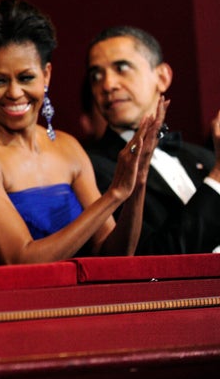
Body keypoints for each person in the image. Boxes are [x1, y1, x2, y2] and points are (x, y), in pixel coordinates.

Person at [0, 0, 164, 266]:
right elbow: (21, 260)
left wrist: (137, 182)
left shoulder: (67, 146)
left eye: (26, 78)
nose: (14, 93)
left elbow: (115, 256)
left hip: (88, 305)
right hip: (20, 306)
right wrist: (114, 195)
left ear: (46, 75)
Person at [84, 25, 220, 254]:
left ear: (162, 77)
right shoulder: (90, 169)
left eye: (122, 68)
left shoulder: (203, 158)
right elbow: (157, 257)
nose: (107, 85)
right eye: (96, 76)